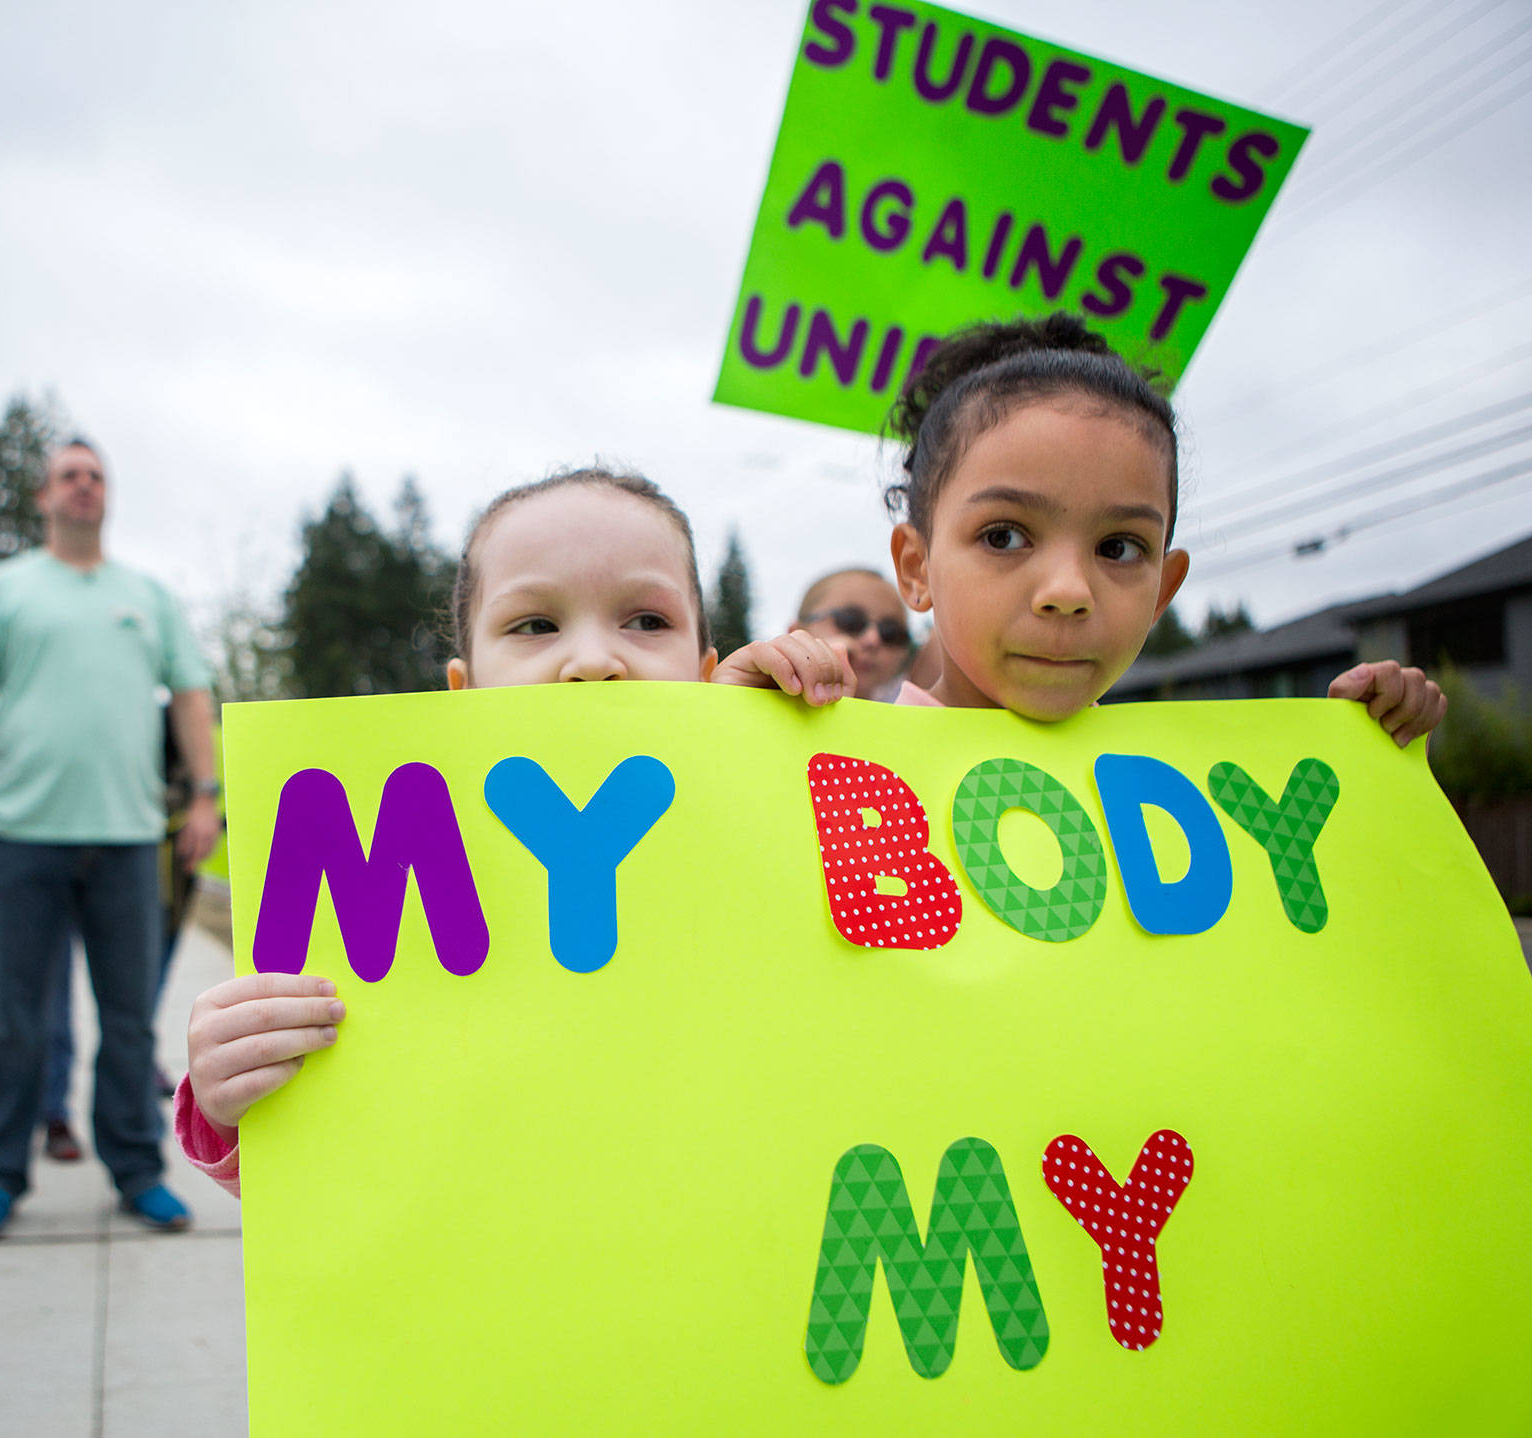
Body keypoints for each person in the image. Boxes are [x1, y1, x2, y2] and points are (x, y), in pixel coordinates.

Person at [173, 466, 852, 1195]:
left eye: (647, 622)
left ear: (705, 668)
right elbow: (341, 1172)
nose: (593, 662)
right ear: (462, 692)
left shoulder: (763, 833)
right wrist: (232, 1095)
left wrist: (769, 743)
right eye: (534, 625)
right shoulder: (407, 885)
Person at [876, 312, 1446, 743]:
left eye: (1118, 548)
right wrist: (785, 711)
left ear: (1162, 592)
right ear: (916, 568)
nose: (1069, 592)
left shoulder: (1172, 793)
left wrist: (1373, 756)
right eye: (1003, 536)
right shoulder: (841, 763)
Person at [0, 436, 222, 1239]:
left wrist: (206, 798)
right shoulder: (2, 591)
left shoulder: (148, 596)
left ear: (107, 496)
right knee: (7, 1016)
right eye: (67, 476)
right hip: (23, 834)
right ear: (43, 496)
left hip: (126, 839)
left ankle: (137, 1169)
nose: (83, 486)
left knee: (129, 1018)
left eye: (95, 475)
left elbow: (191, 699)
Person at [788, 566, 915, 700]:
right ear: (796, 631)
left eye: (890, 632)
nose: (873, 639)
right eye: (850, 621)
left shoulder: (910, 708)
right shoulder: (767, 686)